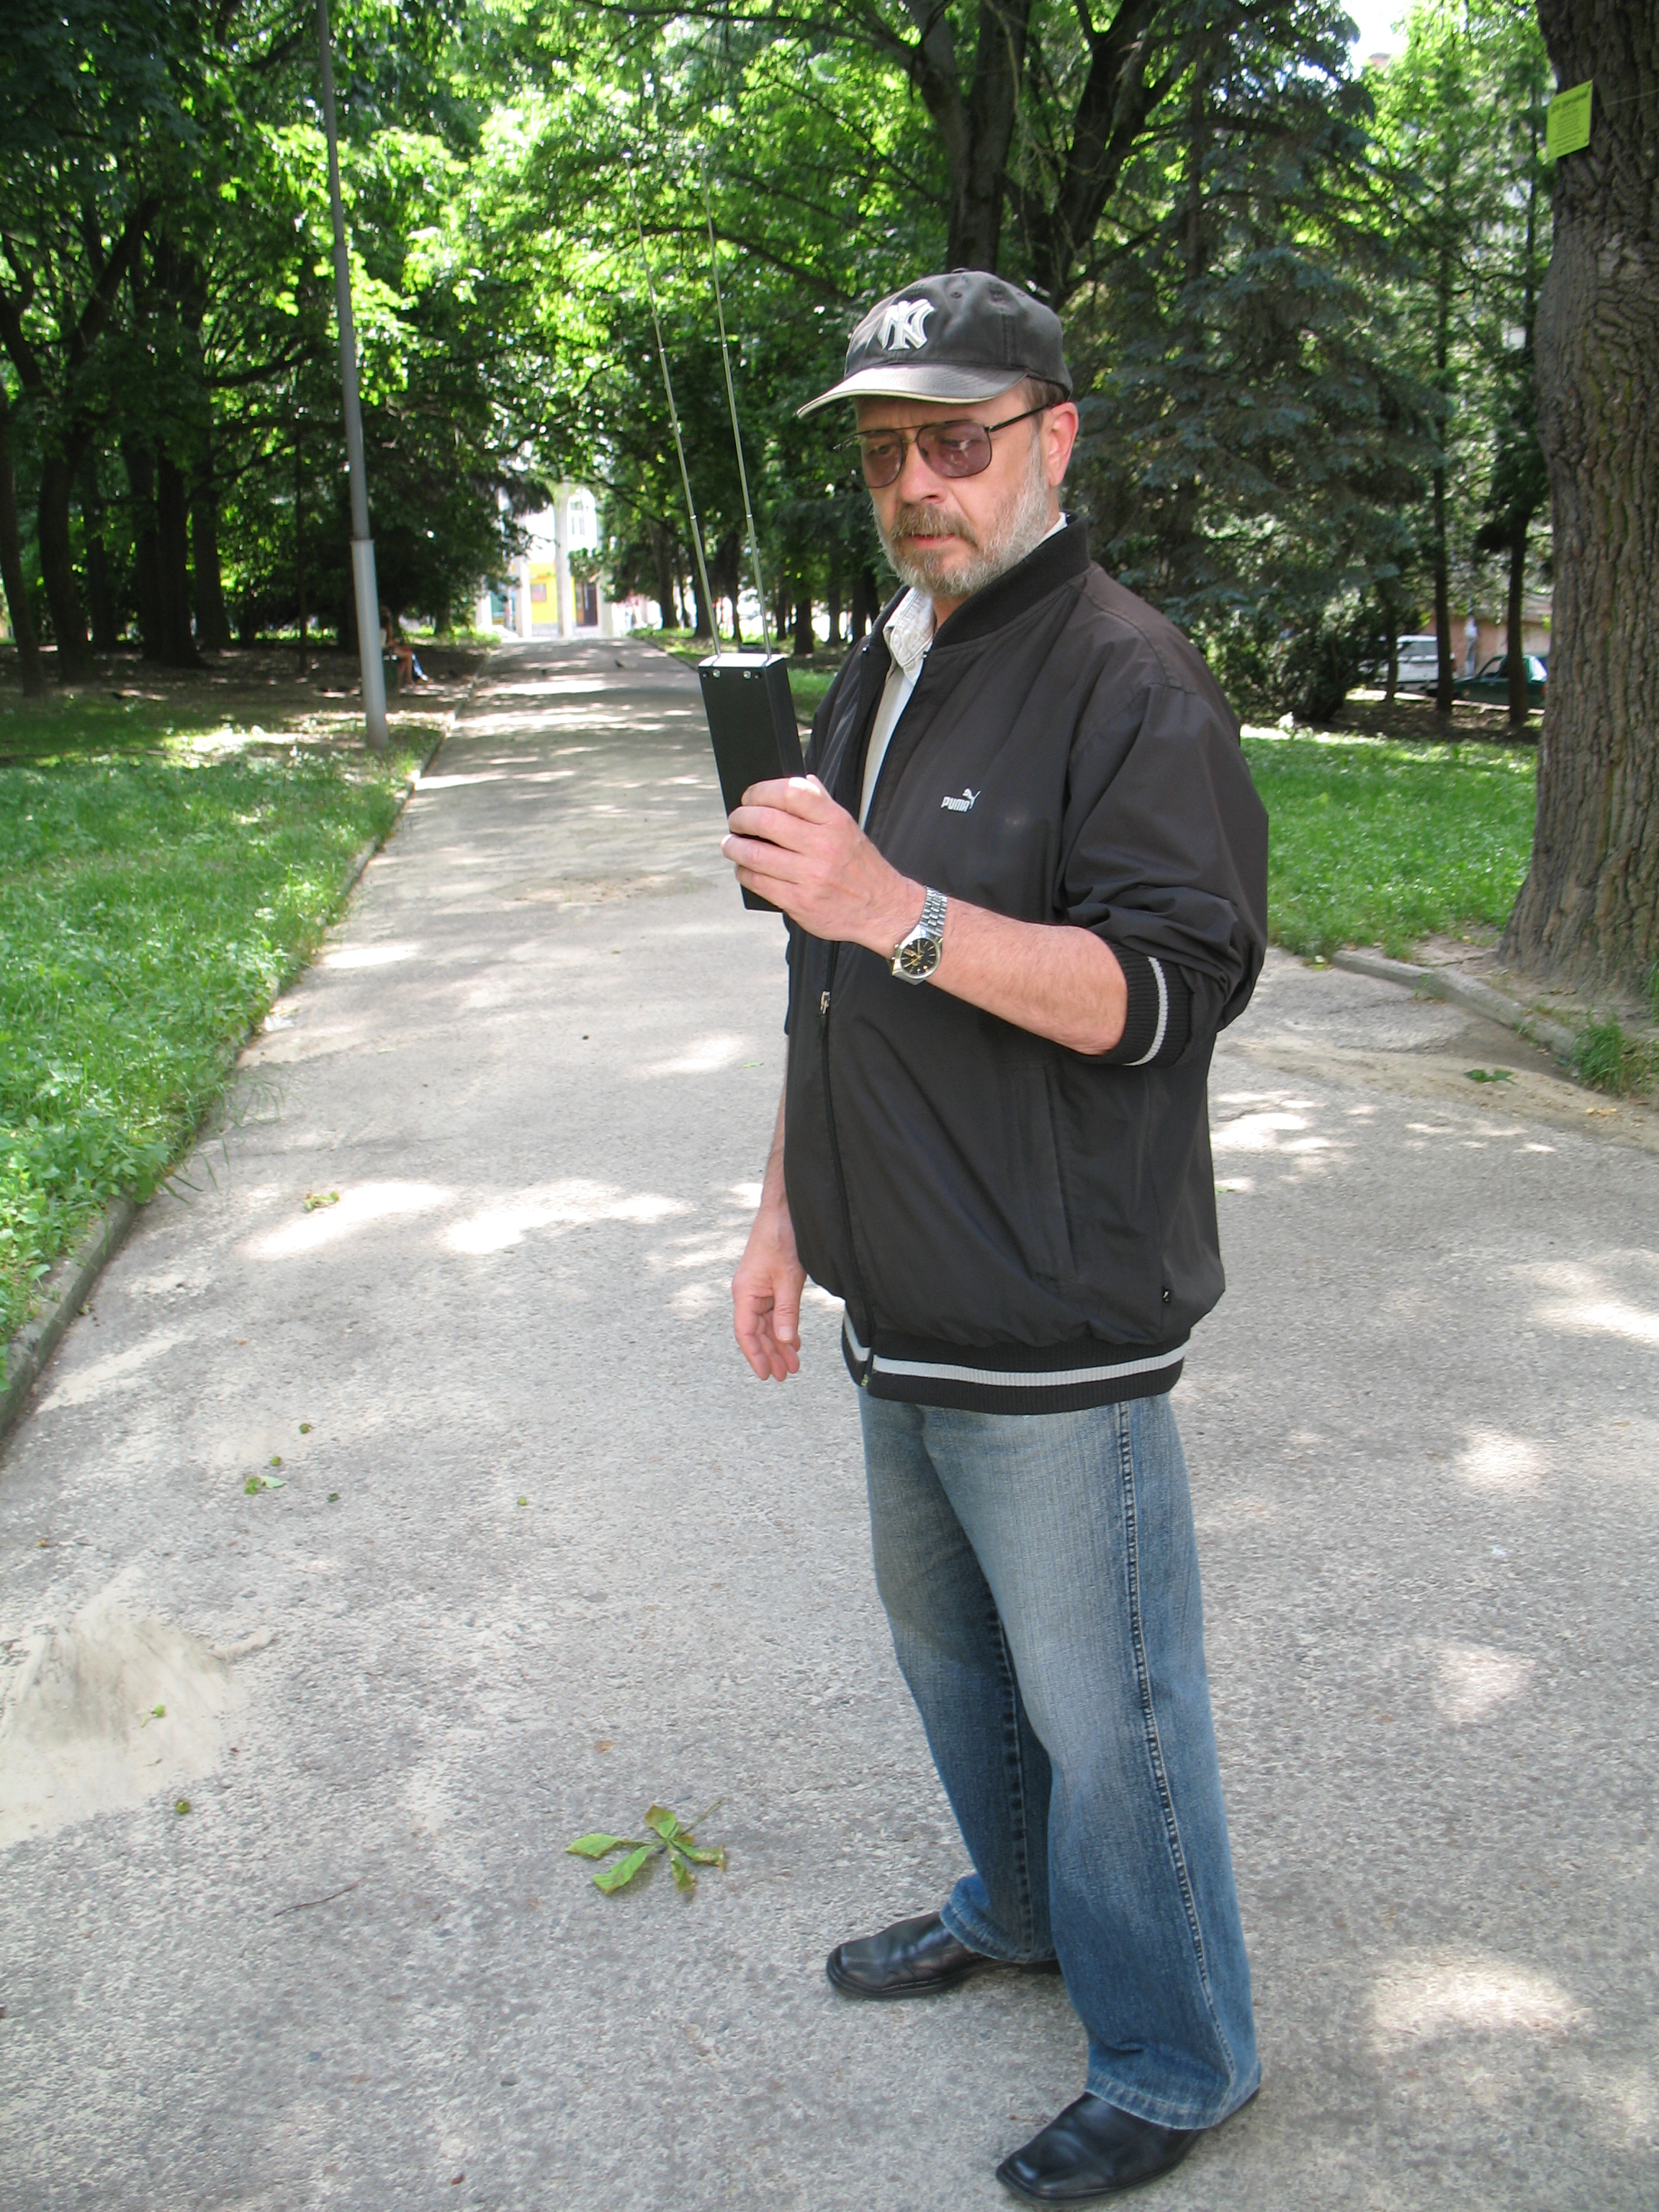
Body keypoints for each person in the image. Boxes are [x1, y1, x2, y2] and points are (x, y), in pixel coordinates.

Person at [723, 271, 1269, 2204]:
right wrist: (783, 1216)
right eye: (886, 453)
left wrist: (898, 906)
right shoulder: (890, 662)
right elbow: (829, 984)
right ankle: (1018, 1912)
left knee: (1112, 1720)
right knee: (959, 1667)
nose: (916, 486)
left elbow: (1166, 995)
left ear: (1054, 437)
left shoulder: (1132, 681)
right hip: (899, 1293)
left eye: (955, 442)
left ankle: (1180, 2058)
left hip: (1056, 1316)